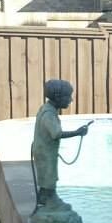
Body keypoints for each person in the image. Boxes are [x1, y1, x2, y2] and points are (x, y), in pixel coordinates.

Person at [32, 79, 89, 211]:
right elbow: (57, 133)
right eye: (68, 96)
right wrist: (77, 132)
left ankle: (47, 199)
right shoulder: (49, 115)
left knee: (49, 177)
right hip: (45, 153)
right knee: (48, 178)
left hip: (45, 151)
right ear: (58, 98)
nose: (70, 100)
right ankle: (50, 200)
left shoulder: (47, 109)